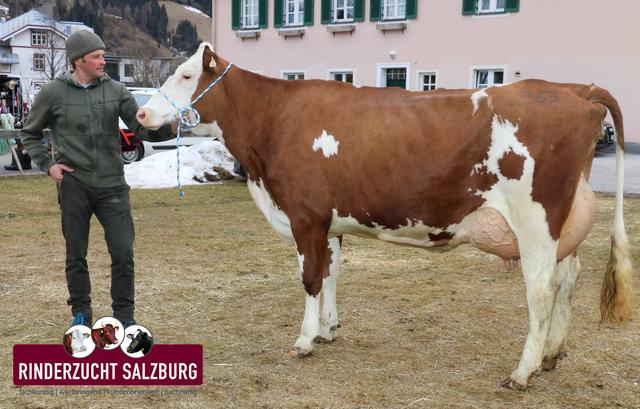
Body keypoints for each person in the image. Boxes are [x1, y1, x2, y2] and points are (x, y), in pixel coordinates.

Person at [21, 30, 175, 328]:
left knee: (122, 251)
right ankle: (81, 313)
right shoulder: (53, 92)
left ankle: (125, 318)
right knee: (76, 253)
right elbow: (30, 133)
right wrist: (48, 166)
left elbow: (140, 129)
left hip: (113, 184)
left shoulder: (116, 90)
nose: (103, 61)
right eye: (97, 56)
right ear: (79, 61)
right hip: (74, 184)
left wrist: (169, 127)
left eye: (103, 55)